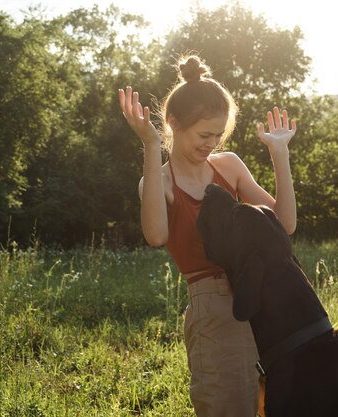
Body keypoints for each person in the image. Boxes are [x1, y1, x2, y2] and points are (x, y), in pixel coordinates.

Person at [118, 54, 297, 417]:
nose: (212, 143)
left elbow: (284, 225)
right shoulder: (161, 182)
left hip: (266, 294)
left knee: (277, 402)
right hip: (215, 307)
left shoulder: (228, 165)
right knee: (227, 406)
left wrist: (279, 153)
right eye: (204, 134)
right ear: (173, 124)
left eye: (219, 134)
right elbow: (156, 235)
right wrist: (151, 146)